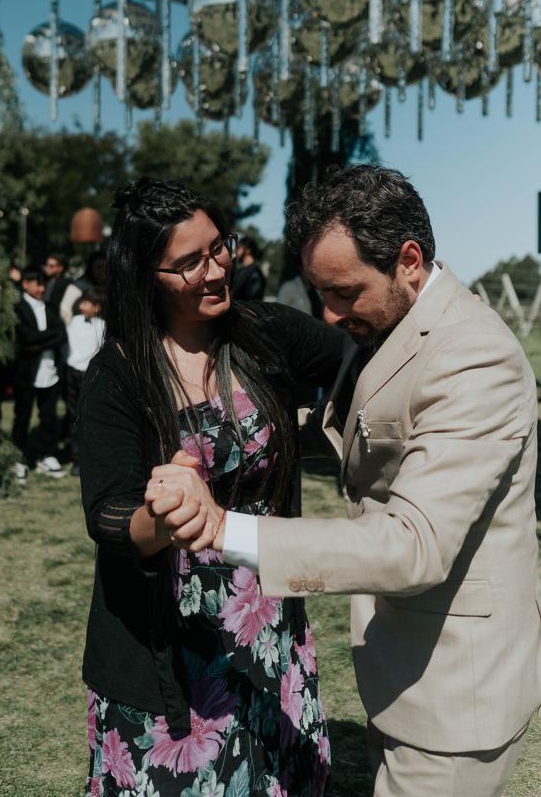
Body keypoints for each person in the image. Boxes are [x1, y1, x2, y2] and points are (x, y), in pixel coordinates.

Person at [148, 165, 541, 797]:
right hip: (407, 668)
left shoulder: (475, 358)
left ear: (408, 260)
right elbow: (364, 432)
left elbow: (413, 544)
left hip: (458, 690)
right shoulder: (389, 321)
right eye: (320, 293)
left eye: (343, 292)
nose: (329, 315)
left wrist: (224, 528)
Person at [77, 177, 345, 796]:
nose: (216, 269)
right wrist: (164, 516)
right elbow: (108, 515)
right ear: (147, 276)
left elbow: (361, 360)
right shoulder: (118, 374)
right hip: (172, 646)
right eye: (189, 262)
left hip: (266, 618)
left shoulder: (265, 332)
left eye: (219, 246)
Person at [12, 267, 67, 482]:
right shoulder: (18, 309)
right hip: (26, 373)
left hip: (50, 371)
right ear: (25, 284)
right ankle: (18, 457)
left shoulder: (50, 308)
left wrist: (39, 341)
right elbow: (24, 338)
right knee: (22, 417)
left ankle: (46, 454)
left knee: (48, 416)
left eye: (44, 284)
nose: (42, 288)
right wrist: (44, 338)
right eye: (38, 284)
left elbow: (60, 335)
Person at [65, 286, 104, 477]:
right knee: (73, 416)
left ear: (97, 307)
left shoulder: (102, 326)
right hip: (72, 373)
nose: (82, 305)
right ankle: (76, 458)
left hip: (89, 375)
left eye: (87, 303)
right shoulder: (75, 322)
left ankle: (92, 458)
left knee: (89, 416)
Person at [233, 235, 267, 301]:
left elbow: (252, 301)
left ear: (247, 250)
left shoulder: (255, 274)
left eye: (239, 247)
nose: (236, 251)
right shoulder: (241, 271)